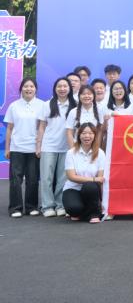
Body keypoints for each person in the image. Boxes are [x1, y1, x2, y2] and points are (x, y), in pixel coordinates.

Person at [36, 77, 76, 217]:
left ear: (69, 88)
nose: (62, 89)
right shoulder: (47, 104)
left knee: (62, 179)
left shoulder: (75, 105)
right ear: (55, 88)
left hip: (67, 147)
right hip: (49, 146)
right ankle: (47, 206)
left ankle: (60, 205)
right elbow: (41, 127)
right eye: (59, 86)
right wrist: (38, 146)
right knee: (46, 178)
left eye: (65, 86)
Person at [4, 78, 44, 218]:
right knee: (15, 179)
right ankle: (15, 208)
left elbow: (43, 127)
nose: (28, 89)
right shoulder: (14, 106)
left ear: (35, 89)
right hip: (17, 147)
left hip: (34, 148)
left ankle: (31, 207)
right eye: (26, 86)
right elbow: (9, 128)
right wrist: (7, 148)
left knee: (33, 179)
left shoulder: (42, 105)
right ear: (21, 88)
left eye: (31, 86)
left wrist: (40, 146)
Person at [62, 123, 105, 224]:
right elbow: (71, 176)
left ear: (94, 135)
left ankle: (94, 214)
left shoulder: (100, 153)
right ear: (79, 135)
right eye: (84, 133)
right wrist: (93, 179)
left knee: (89, 186)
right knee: (74, 209)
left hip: (91, 190)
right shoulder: (71, 153)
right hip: (73, 188)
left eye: (90, 133)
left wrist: (103, 203)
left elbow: (101, 180)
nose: (87, 136)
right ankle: (85, 211)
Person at [65, 85, 104, 150]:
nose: (86, 96)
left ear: (94, 96)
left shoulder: (100, 110)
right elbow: (69, 132)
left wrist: (96, 148)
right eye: (83, 94)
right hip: (77, 147)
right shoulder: (73, 112)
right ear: (79, 96)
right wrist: (73, 149)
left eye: (89, 94)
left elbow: (100, 131)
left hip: (94, 148)